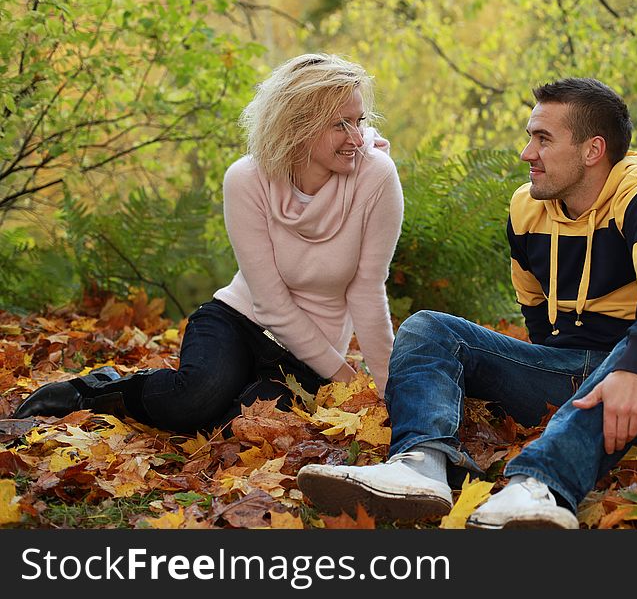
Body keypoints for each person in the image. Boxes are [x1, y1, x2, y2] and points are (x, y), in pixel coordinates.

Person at [296, 77, 637, 528]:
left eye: (543, 139)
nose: (528, 153)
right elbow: (534, 307)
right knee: (428, 327)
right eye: (531, 137)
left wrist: (635, 367)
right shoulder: (527, 207)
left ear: (592, 150)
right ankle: (420, 466)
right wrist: (538, 369)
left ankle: (541, 487)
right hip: (566, 367)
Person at [14, 53, 404, 433]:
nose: (356, 137)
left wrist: (388, 393)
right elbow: (268, 301)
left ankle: (214, 394)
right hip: (239, 320)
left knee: (235, 428)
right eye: (340, 125)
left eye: (359, 121)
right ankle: (96, 390)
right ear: (299, 125)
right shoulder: (247, 180)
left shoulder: (376, 179)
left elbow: (367, 289)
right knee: (193, 402)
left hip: (308, 354)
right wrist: (343, 374)